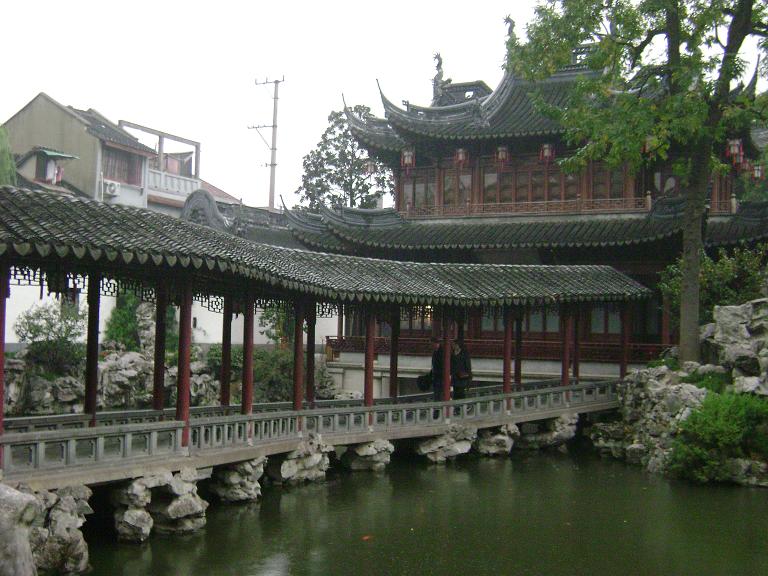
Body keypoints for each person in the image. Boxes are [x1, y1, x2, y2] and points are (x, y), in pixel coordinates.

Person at [430, 337, 444, 401]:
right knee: (436, 393)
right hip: (436, 376)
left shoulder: (442, 351)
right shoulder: (435, 352)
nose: (431, 346)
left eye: (431, 344)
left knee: (439, 393)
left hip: (440, 376)